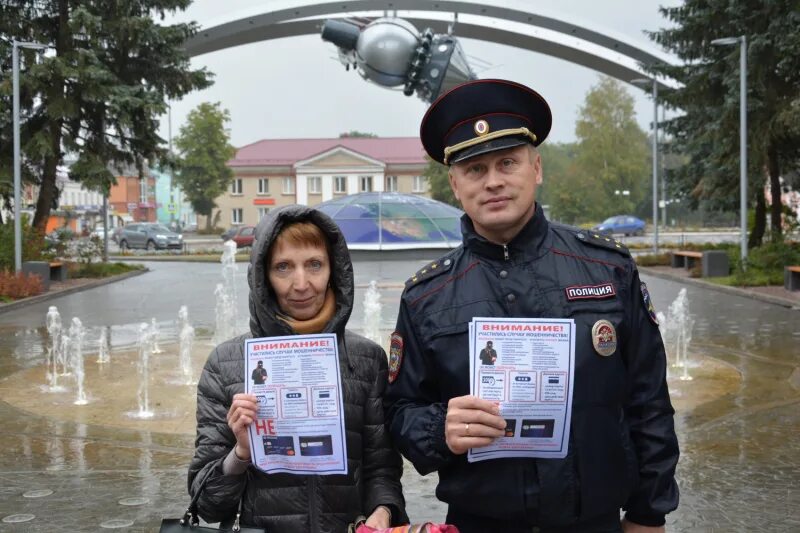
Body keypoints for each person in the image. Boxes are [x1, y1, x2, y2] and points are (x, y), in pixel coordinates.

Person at [384, 79, 679, 533]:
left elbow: (648, 399)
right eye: (475, 169)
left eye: (507, 162)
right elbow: (399, 409)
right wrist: (439, 428)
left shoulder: (607, 270)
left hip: (594, 522)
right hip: (481, 523)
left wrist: (648, 511)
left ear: (536, 168)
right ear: (455, 184)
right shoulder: (426, 295)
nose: (494, 181)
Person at [189, 205, 407, 532]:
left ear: (335, 270)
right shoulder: (225, 364)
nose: (301, 283)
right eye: (283, 267)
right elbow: (207, 504)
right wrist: (242, 452)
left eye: (314, 265)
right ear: (263, 275)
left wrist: (383, 511)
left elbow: (381, 470)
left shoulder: (366, 359)